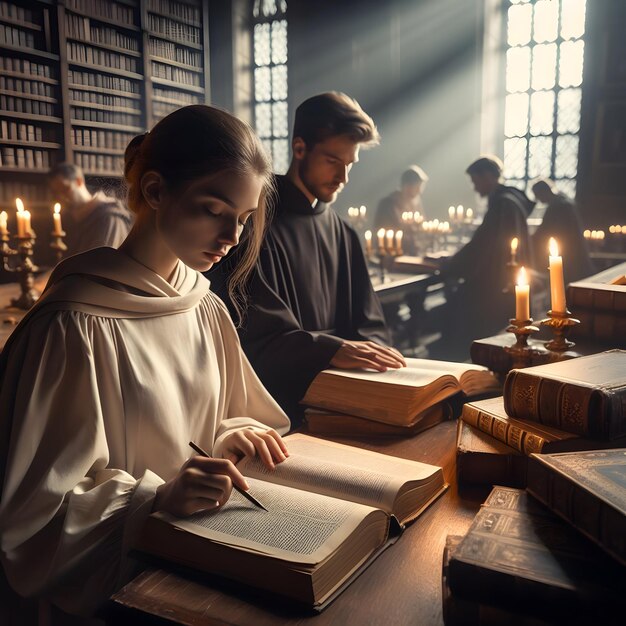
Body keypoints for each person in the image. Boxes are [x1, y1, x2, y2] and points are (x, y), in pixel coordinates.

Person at [0, 105, 290, 620]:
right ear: (155, 191)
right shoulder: (71, 326)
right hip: (118, 593)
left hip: (200, 569)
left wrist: (229, 437)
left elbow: (221, 415)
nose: (232, 238)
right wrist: (156, 499)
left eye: (243, 220)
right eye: (212, 209)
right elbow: (34, 517)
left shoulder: (204, 306)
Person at [209, 92, 405, 423]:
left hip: (349, 402)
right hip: (281, 408)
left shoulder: (343, 233)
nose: (343, 178)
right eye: (333, 161)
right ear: (300, 149)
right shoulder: (252, 222)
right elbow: (253, 333)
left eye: (350, 165)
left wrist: (370, 356)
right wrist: (329, 351)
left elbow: (370, 325)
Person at [428, 156, 534, 361]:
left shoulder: (503, 204)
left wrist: (450, 265)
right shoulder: (509, 200)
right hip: (505, 278)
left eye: (475, 181)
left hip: (495, 285)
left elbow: (481, 246)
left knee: (456, 309)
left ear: (488, 176)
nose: (475, 189)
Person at [48, 162, 132, 255]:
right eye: (56, 193)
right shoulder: (71, 219)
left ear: (79, 181)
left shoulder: (109, 217)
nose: (61, 197)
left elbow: (101, 262)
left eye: (65, 189)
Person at [530, 178, 593, 284]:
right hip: (572, 250)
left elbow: (545, 231)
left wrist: (529, 240)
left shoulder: (558, 206)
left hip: (567, 252)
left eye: (537, 194)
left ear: (544, 191)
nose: (537, 199)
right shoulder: (563, 202)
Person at [374, 165, 429, 242]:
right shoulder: (387, 204)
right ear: (407, 186)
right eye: (417, 187)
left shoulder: (416, 203)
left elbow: (421, 227)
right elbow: (387, 231)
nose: (419, 191)